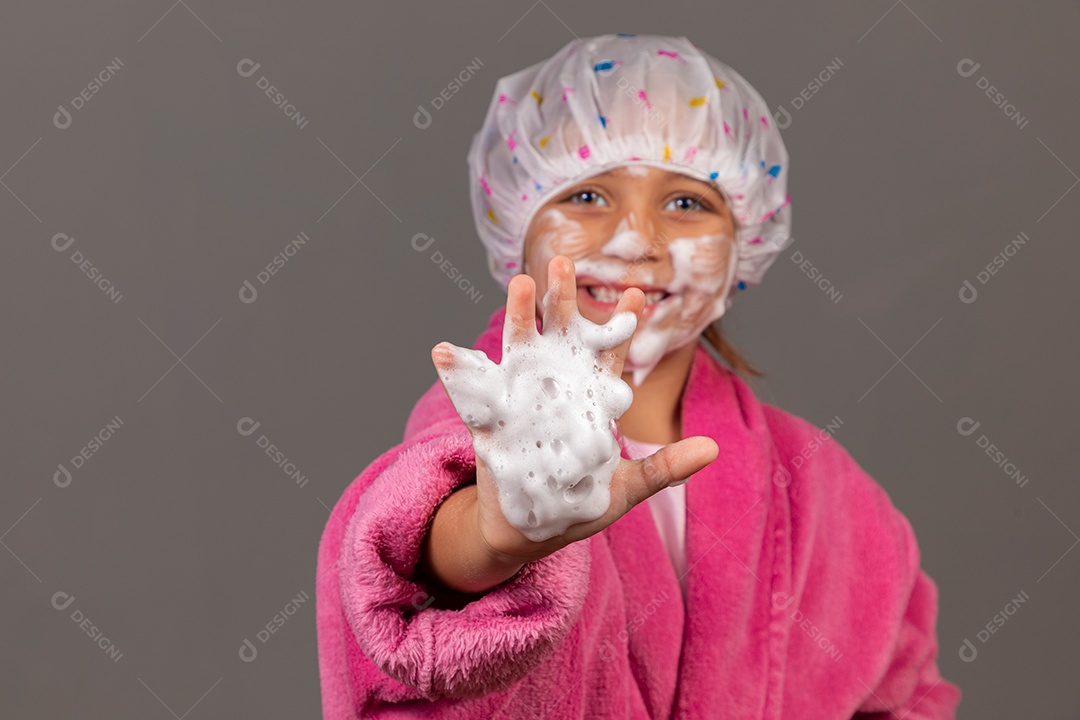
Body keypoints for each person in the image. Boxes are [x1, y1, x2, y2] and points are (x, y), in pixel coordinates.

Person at [316, 33, 962, 718]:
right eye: (589, 194)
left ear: (746, 240)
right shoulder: (485, 438)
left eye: (686, 203)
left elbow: (906, 689)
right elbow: (413, 563)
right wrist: (502, 537)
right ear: (516, 224)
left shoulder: (822, 487)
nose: (634, 240)